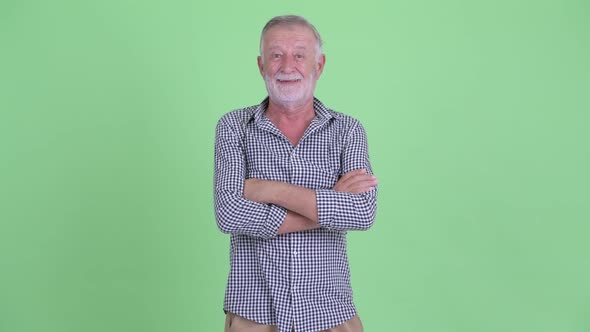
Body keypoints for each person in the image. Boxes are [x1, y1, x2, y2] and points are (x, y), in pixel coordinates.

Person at [213, 15, 378, 332]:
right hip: (254, 313)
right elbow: (229, 213)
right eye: (276, 55)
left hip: (330, 313)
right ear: (262, 65)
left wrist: (268, 190)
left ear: (319, 64)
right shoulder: (233, 127)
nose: (287, 66)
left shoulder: (348, 131)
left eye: (300, 54)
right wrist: (330, 203)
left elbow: (363, 211)